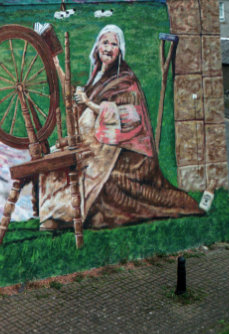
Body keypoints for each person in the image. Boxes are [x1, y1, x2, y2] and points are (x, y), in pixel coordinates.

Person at [39, 24, 202, 229]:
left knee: (97, 175)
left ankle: (68, 217)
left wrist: (88, 103)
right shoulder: (98, 76)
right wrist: (55, 62)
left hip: (129, 152)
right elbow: (78, 105)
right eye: (105, 42)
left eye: (114, 44)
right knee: (59, 158)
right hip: (100, 143)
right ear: (97, 46)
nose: (108, 48)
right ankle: (58, 214)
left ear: (120, 50)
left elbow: (127, 116)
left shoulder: (126, 79)